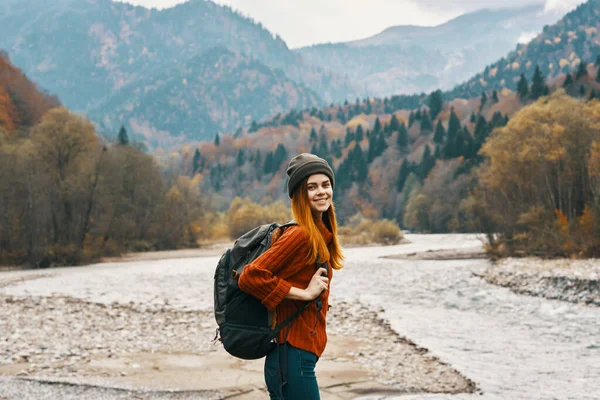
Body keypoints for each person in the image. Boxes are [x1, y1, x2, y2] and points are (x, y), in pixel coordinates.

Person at [238, 153, 344, 399]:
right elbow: (250, 276)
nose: (321, 192)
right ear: (299, 195)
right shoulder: (301, 235)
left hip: (298, 359)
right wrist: (304, 293)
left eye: (325, 185)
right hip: (291, 359)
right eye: (311, 187)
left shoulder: (320, 233)